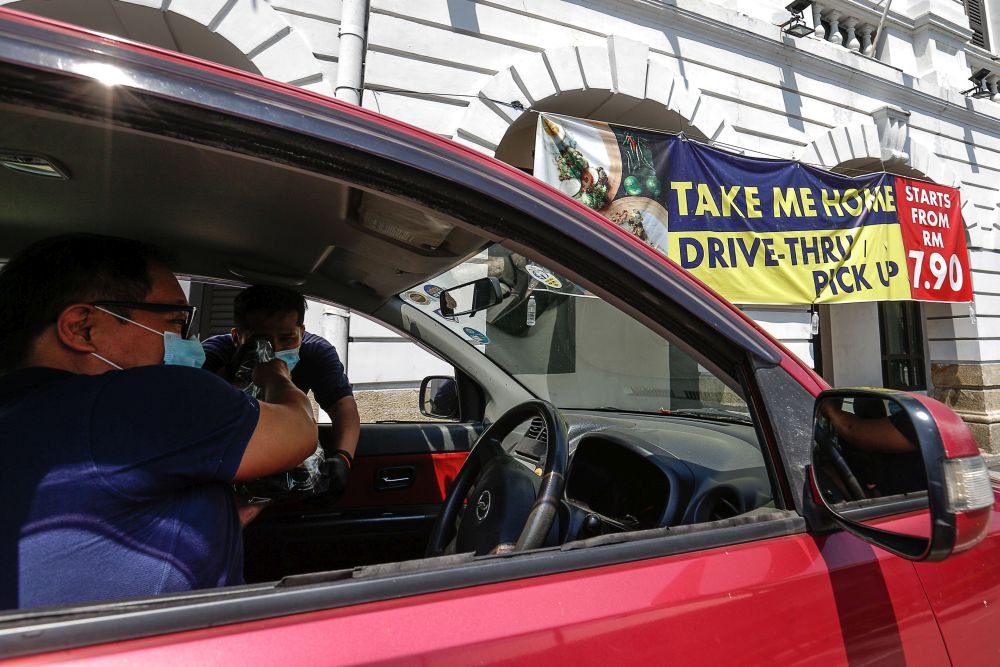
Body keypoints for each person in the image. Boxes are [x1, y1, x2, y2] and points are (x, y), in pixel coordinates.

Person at [0, 235, 318, 610]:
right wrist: (276, 374)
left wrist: (221, 517)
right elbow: (300, 431)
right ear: (83, 327)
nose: (186, 341)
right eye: (175, 322)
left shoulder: (20, 408)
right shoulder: (143, 396)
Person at [201, 285, 361, 497]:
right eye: (260, 340)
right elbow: (198, 408)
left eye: (287, 338)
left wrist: (343, 458)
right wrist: (232, 371)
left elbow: (342, 405)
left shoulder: (316, 353)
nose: (275, 349)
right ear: (236, 337)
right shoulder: (215, 352)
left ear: (301, 333)